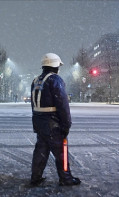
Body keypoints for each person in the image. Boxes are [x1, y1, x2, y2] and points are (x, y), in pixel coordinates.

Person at [30, 53, 81, 186]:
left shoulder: (35, 80)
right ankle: (66, 179)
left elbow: (33, 104)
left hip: (39, 122)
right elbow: (62, 104)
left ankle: (35, 177)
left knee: (41, 151)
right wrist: (66, 125)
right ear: (55, 65)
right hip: (53, 124)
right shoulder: (55, 80)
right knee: (61, 153)